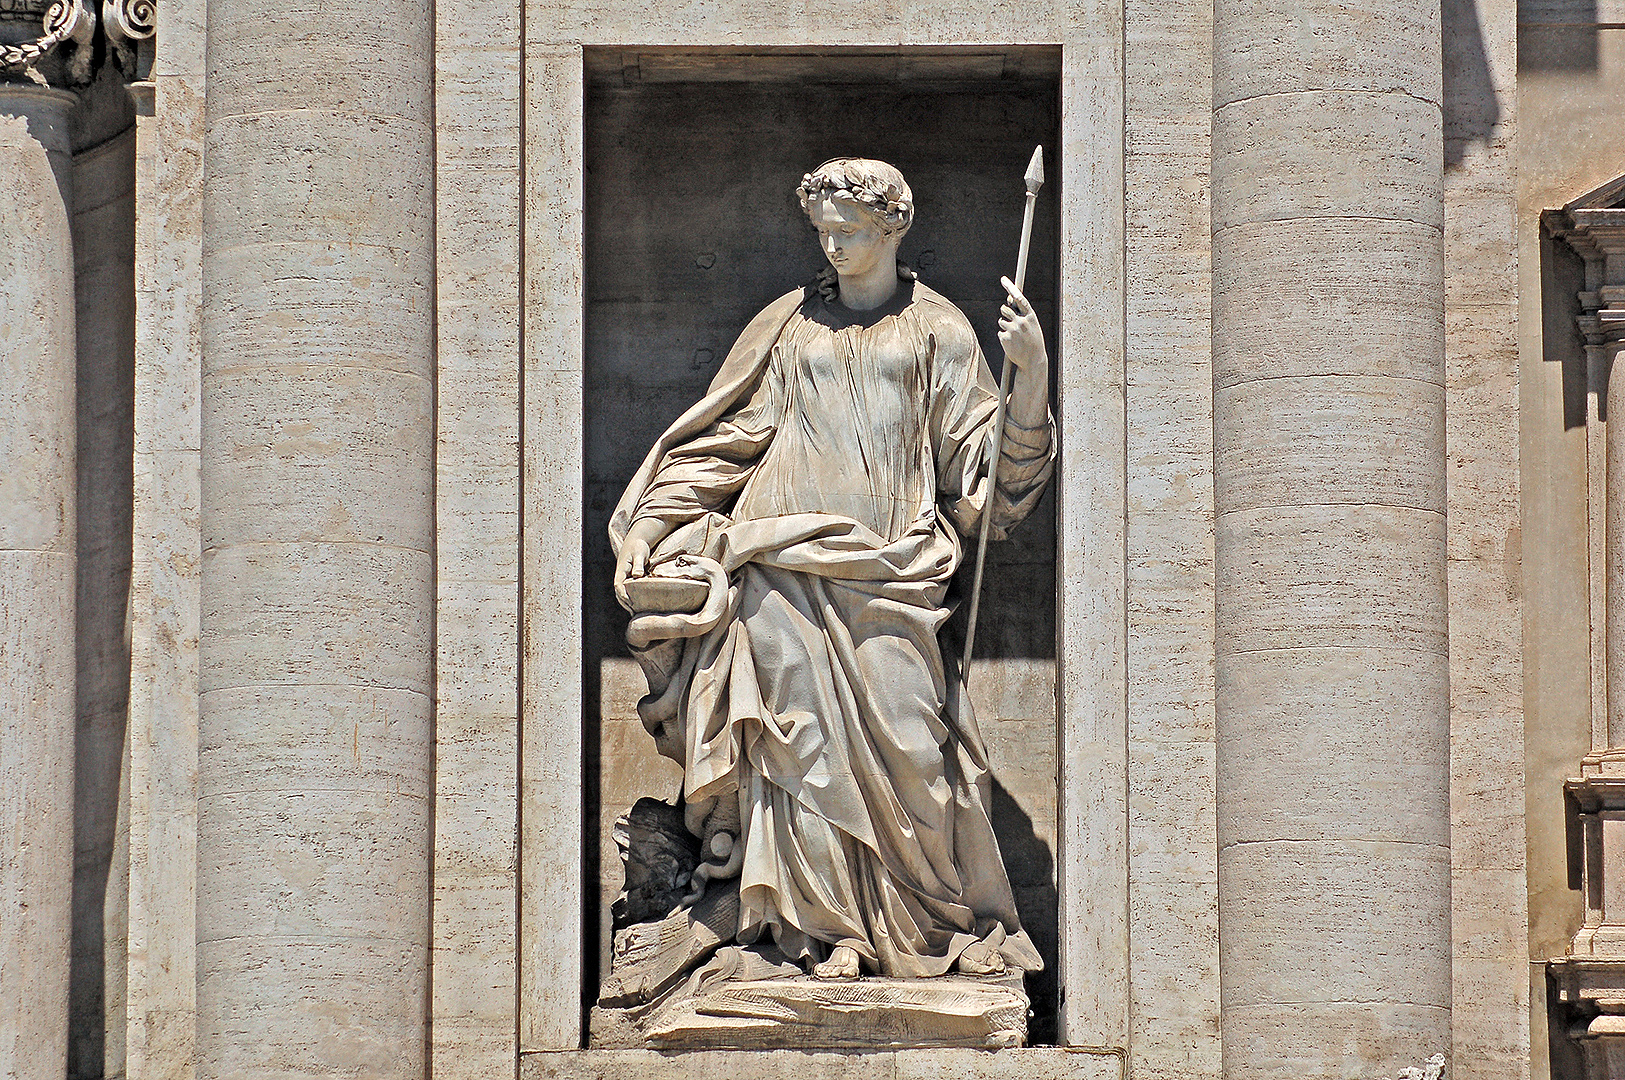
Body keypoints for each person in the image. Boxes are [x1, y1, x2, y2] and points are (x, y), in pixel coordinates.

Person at [610, 158, 1053, 981]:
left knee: (913, 744)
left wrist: (1029, 375)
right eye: (823, 229)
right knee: (796, 749)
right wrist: (652, 523)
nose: (834, 243)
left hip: (892, 570)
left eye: (850, 229)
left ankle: (912, 930)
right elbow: (722, 444)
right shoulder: (787, 329)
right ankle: (818, 935)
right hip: (778, 561)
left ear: (893, 227)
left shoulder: (939, 331)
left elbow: (993, 479)